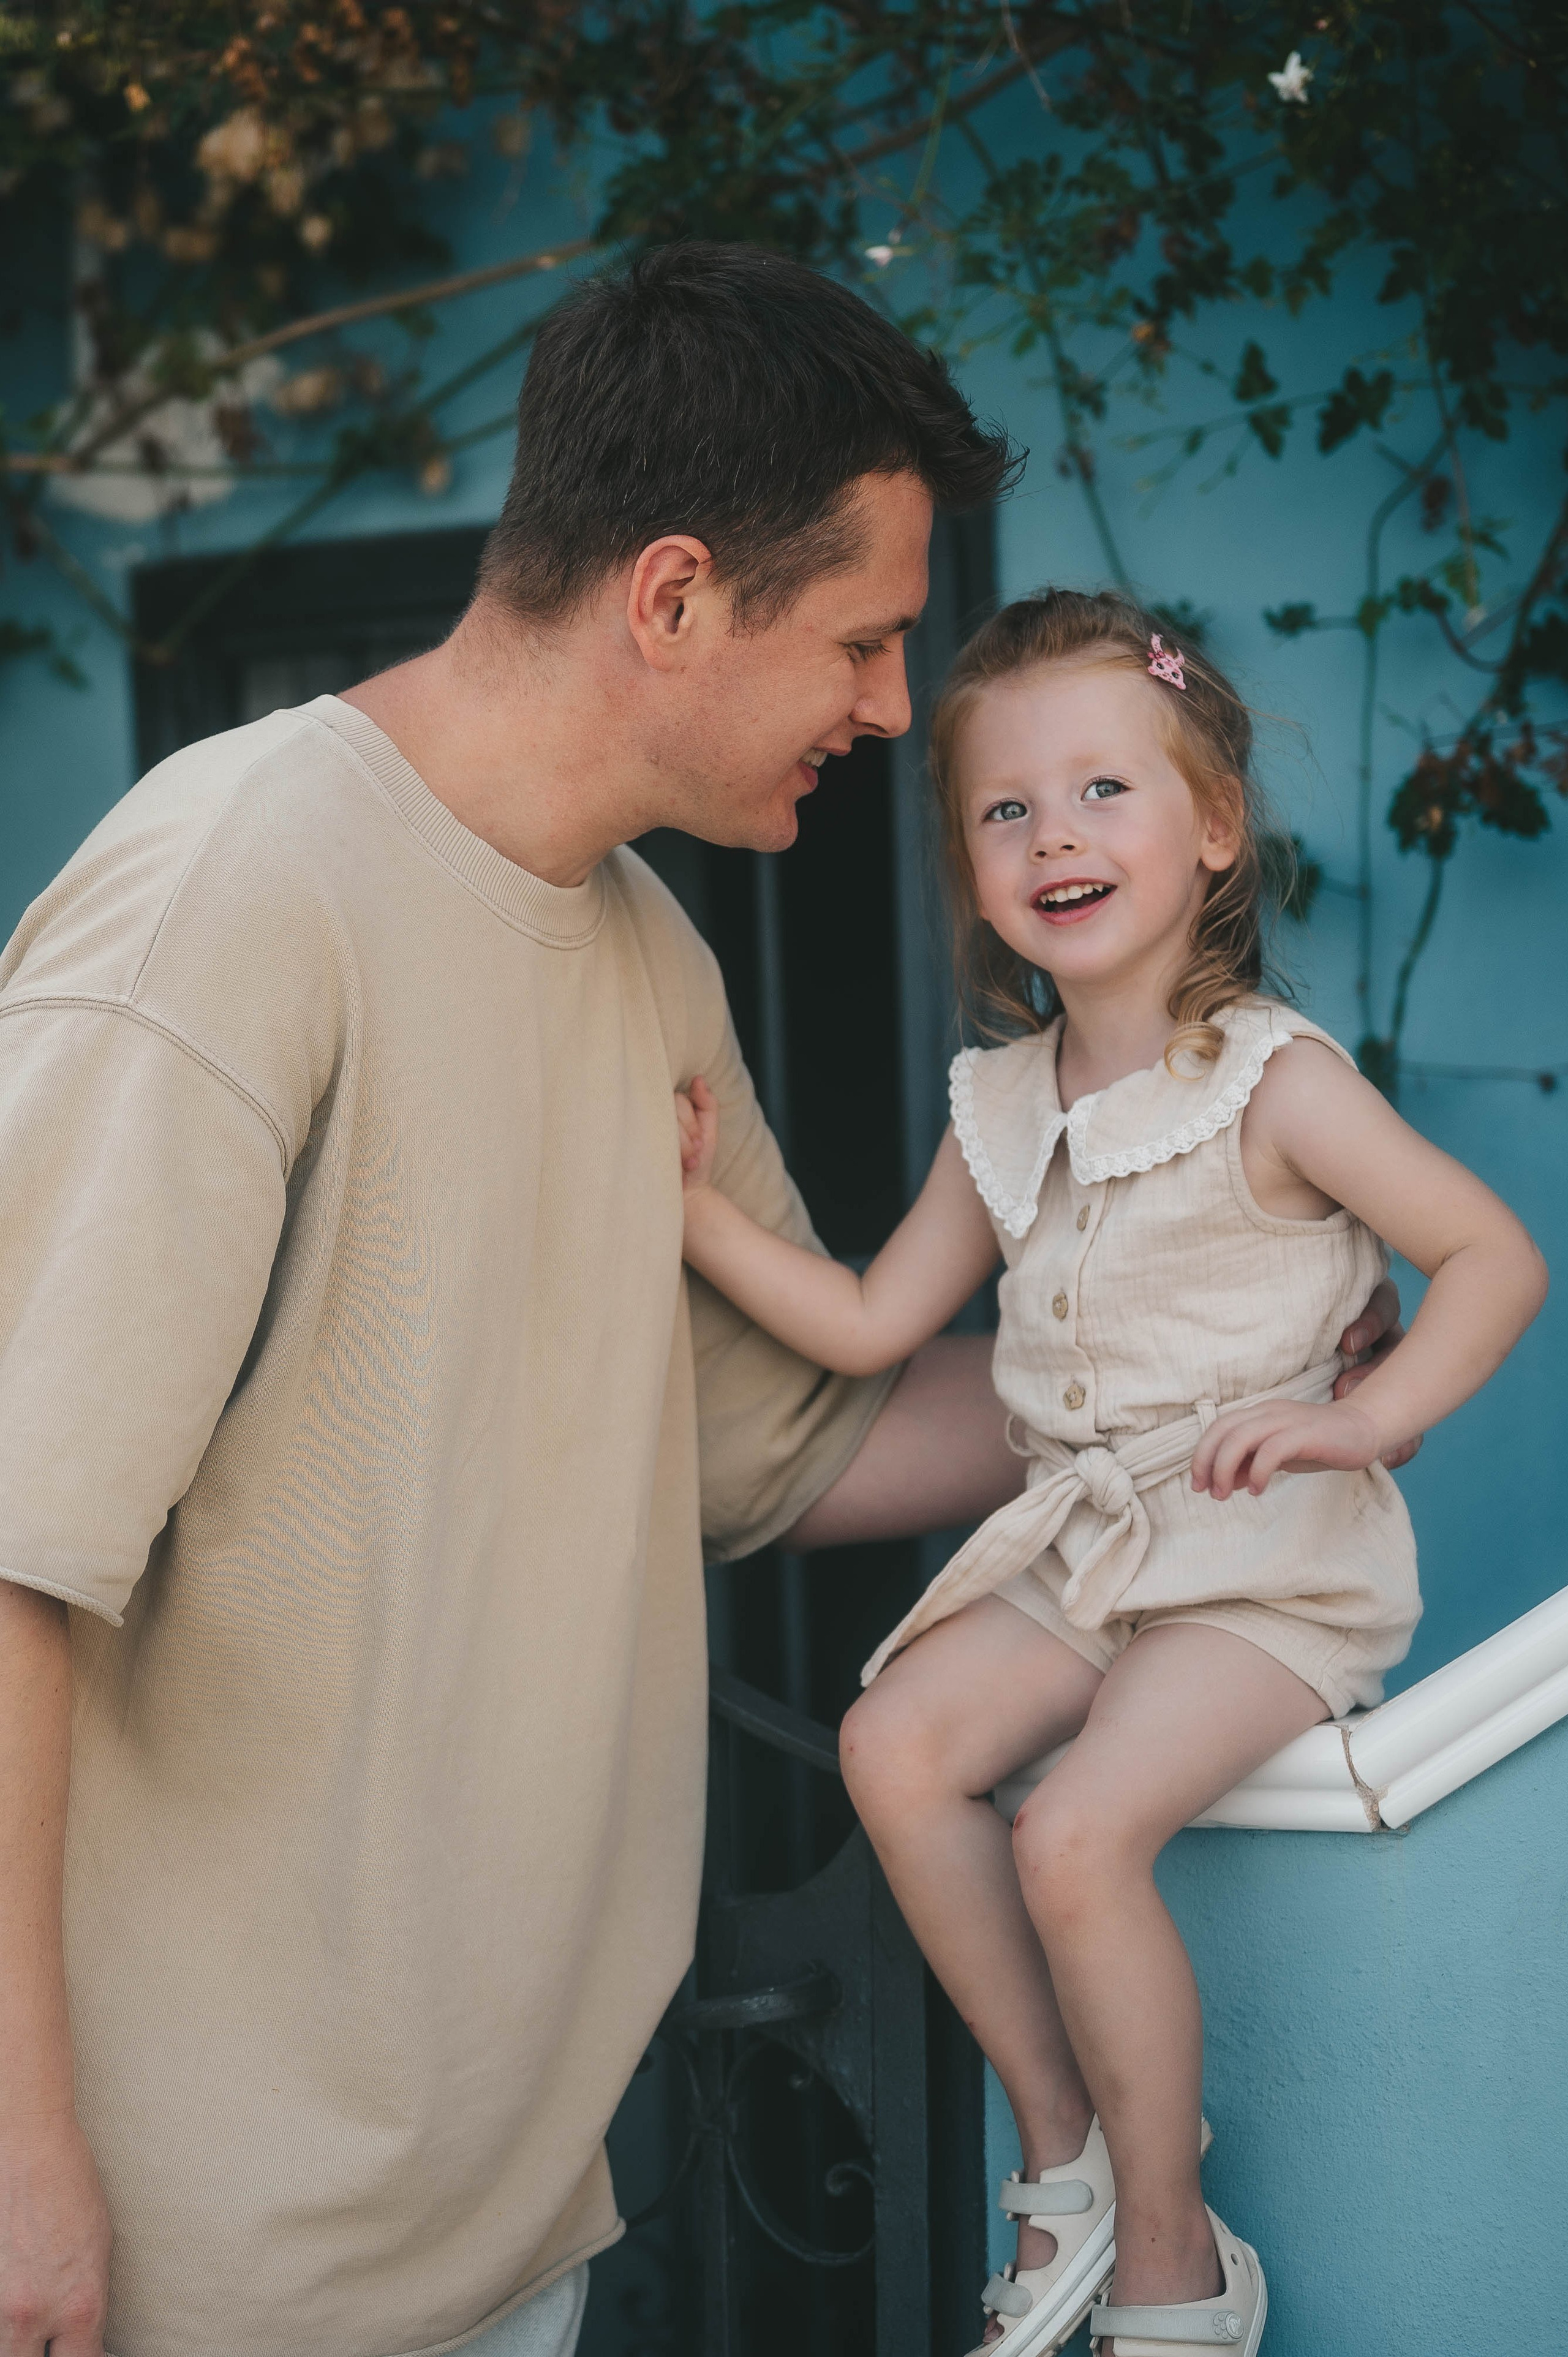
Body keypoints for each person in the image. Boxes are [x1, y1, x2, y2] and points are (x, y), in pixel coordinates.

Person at [0, 251, 1409, 2357]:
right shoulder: (235, 892)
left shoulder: (651, 948)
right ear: (672, 599)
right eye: (858, 640)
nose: (882, 704)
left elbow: (777, 1437)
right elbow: (19, 1551)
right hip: (192, 2249)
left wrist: (1241, 1348)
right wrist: (25, 2171)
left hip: (515, 2212)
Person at [674, 587, 1547, 2357]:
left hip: (1264, 1561)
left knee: (1075, 1830)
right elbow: (864, 1321)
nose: (1054, 834)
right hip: (1090, 1553)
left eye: (1102, 793)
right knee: (893, 1744)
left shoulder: (1277, 1084)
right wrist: (684, 1209)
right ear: (974, 868)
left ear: (1211, 828)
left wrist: (1367, 1423)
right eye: (1007, 810)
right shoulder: (998, 1105)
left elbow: (1496, 1259)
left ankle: (1173, 2246)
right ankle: (1065, 2154)